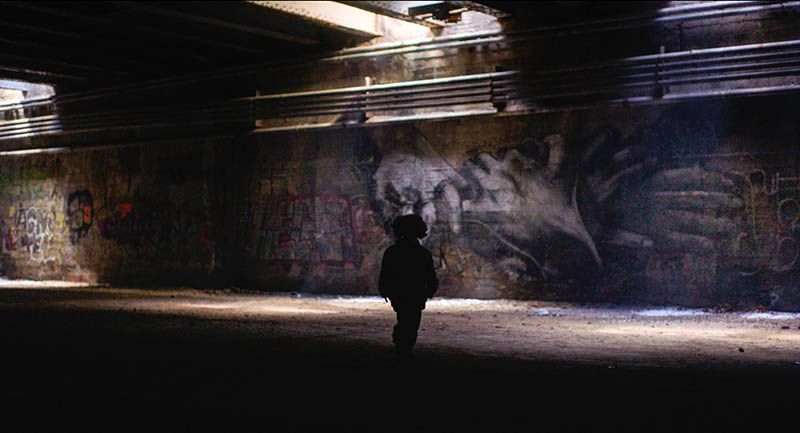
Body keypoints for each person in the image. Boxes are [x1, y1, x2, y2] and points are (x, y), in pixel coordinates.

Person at [378, 214, 438, 360]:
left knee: (405, 319)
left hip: (399, 294)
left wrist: (384, 290)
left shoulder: (392, 252)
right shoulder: (423, 253)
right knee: (411, 322)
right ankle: (404, 346)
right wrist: (430, 290)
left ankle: (402, 344)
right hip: (416, 294)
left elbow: (385, 274)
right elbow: (430, 276)